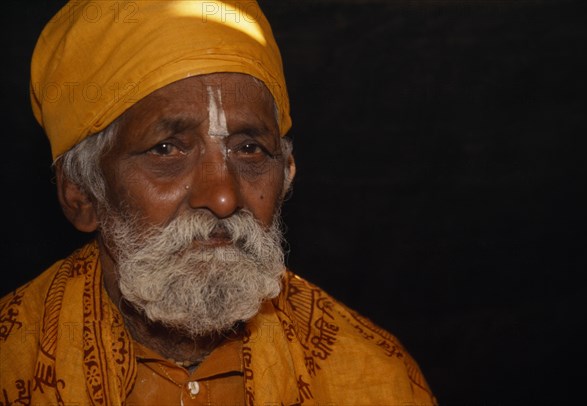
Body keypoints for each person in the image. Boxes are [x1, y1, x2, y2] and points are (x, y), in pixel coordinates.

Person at [0, 1, 436, 404]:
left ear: (287, 175)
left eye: (249, 150)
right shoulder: (12, 365)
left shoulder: (373, 379)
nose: (224, 197)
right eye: (166, 150)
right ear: (80, 193)